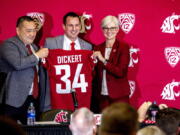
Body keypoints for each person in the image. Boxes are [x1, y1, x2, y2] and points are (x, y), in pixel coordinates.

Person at [0, 16, 49, 124]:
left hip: (33, 100)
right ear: (18, 30)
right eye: (28, 31)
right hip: (13, 101)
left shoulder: (34, 47)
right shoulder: (9, 44)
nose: (32, 34)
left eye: (34, 30)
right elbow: (17, 64)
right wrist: (37, 55)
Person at [43, 12, 94, 111]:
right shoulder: (51, 43)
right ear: (64, 26)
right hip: (57, 98)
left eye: (77, 25)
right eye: (70, 25)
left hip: (79, 99)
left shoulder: (87, 47)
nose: (74, 29)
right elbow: (45, 72)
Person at [93, 15, 130, 111]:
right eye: (106, 28)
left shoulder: (124, 47)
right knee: (104, 125)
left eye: (112, 28)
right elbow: (94, 73)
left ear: (117, 29)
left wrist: (103, 60)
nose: (109, 31)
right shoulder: (97, 48)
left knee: (121, 124)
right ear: (102, 29)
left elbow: (120, 72)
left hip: (119, 95)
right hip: (102, 97)